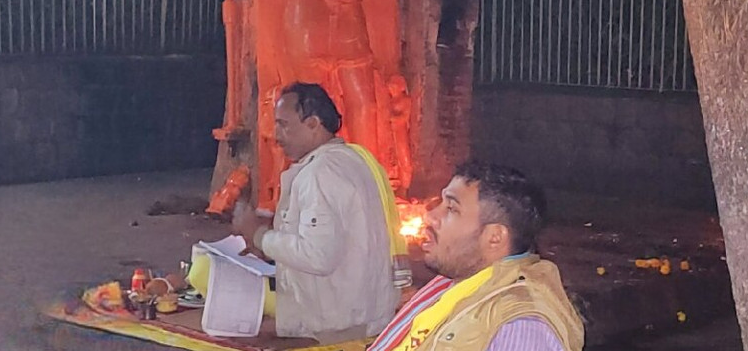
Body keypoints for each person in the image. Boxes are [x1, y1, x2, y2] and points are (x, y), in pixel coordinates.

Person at [232, 82, 400, 342]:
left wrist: (258, 236)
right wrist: (277, 228)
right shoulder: (356, 158)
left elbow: (317, 255)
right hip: (364, 313)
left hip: (339, 325)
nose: (276, 136)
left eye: (284, 125)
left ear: (313, 123)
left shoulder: (320, 172)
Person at [368, 162, 584, 351]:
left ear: (494, 237)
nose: (431, 216)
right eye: (441, 203)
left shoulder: (520, 326)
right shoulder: (459, 282)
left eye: (451, 208)